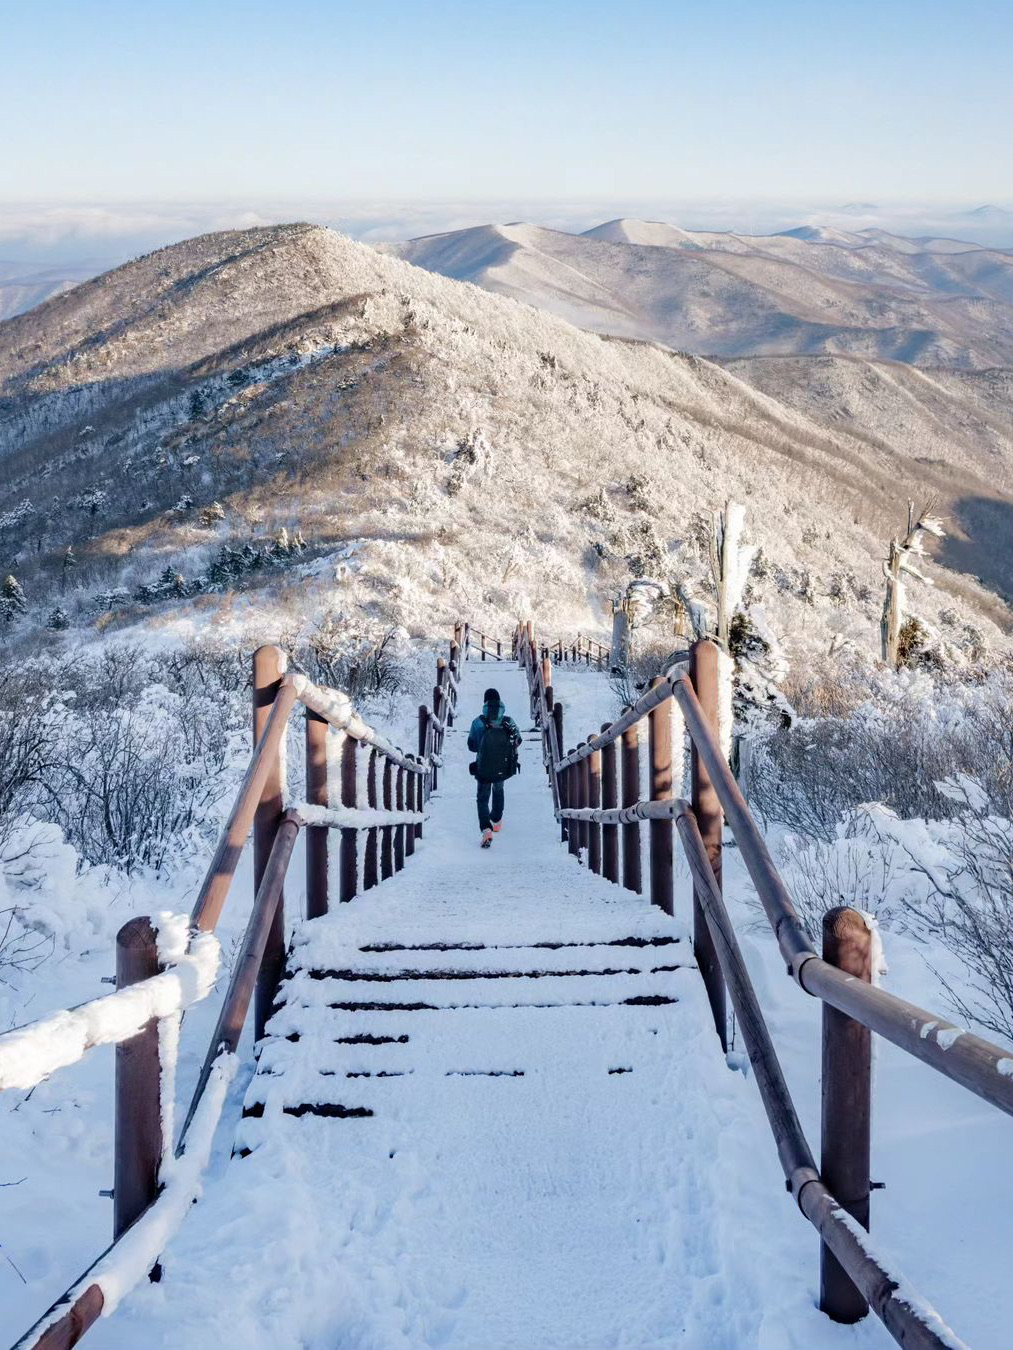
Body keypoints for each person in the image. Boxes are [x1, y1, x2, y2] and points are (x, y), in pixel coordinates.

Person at [468, 686, 521, 847]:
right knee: (499, 790)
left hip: (483, 766)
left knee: (482, 797)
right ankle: (497, 820)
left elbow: (472, 746)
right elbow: (518, 740)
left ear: (485, 702)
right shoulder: (508, 721)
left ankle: (486, 830)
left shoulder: (478, 722)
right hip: (503, 766)